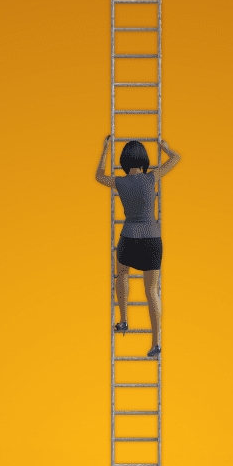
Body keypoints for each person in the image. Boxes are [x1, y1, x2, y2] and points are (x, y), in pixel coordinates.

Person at [96, 137, 181, 356]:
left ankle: (123, 320)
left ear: (124, 161)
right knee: (152, 291)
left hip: (129, 238)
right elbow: (176, 158)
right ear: (143, 159)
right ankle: (156, 343)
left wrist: (105, 149)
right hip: (152, 239)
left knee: (121, 274)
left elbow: (98, 176)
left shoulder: (120, 182)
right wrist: (165, 148)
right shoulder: (152, 178)